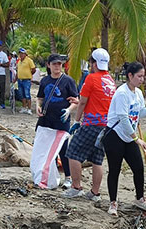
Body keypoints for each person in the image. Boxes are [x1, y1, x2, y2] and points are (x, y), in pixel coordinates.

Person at [102, 62, 146, 216]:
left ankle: (140, 199)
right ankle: (113, 203)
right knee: (114, 170)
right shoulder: (122, 93)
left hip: (129, 137)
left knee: (138, 168)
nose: (142, 79)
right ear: (130, 76)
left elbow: (138, 113)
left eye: (143, 76)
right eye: (139, 76)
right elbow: (123, 118)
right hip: (115, 136)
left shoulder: (138, 93)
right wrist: (137, 139)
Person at [63, 48, 116, 202]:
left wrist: (77, 121)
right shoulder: (110, 80)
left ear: (93, 63)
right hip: (106, 125)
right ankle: (95, 192)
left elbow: (84, 102)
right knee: (97, 159)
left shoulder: (91, 78)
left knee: (72, 152)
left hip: (92, 123)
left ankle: (76, 187)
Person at [36, 54, 79, 188]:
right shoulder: (45, 81)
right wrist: (38, 106)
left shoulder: (68, 81)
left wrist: (68, 110)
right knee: (48, 147)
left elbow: (75, 100)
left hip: (61, 119)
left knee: (63, 148)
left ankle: (68, 177)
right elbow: (40, 97)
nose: (57, 66)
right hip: (46, 118)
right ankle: (52, 174)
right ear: (48, 65)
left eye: (59, 64)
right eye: (54, 64)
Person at [16, 48, 36, 114]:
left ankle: (29, 109)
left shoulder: (29, 60)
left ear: (25, 54)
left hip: (26, 80)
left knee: (27, 94)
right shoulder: (19, 61)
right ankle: (24, 107)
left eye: (22, 53)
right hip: (20, 80)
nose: (21, 55)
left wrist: (29, 74)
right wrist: (15, 78)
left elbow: (33, 69)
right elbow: (18, 70)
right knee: (22, 95)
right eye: (20, 53)